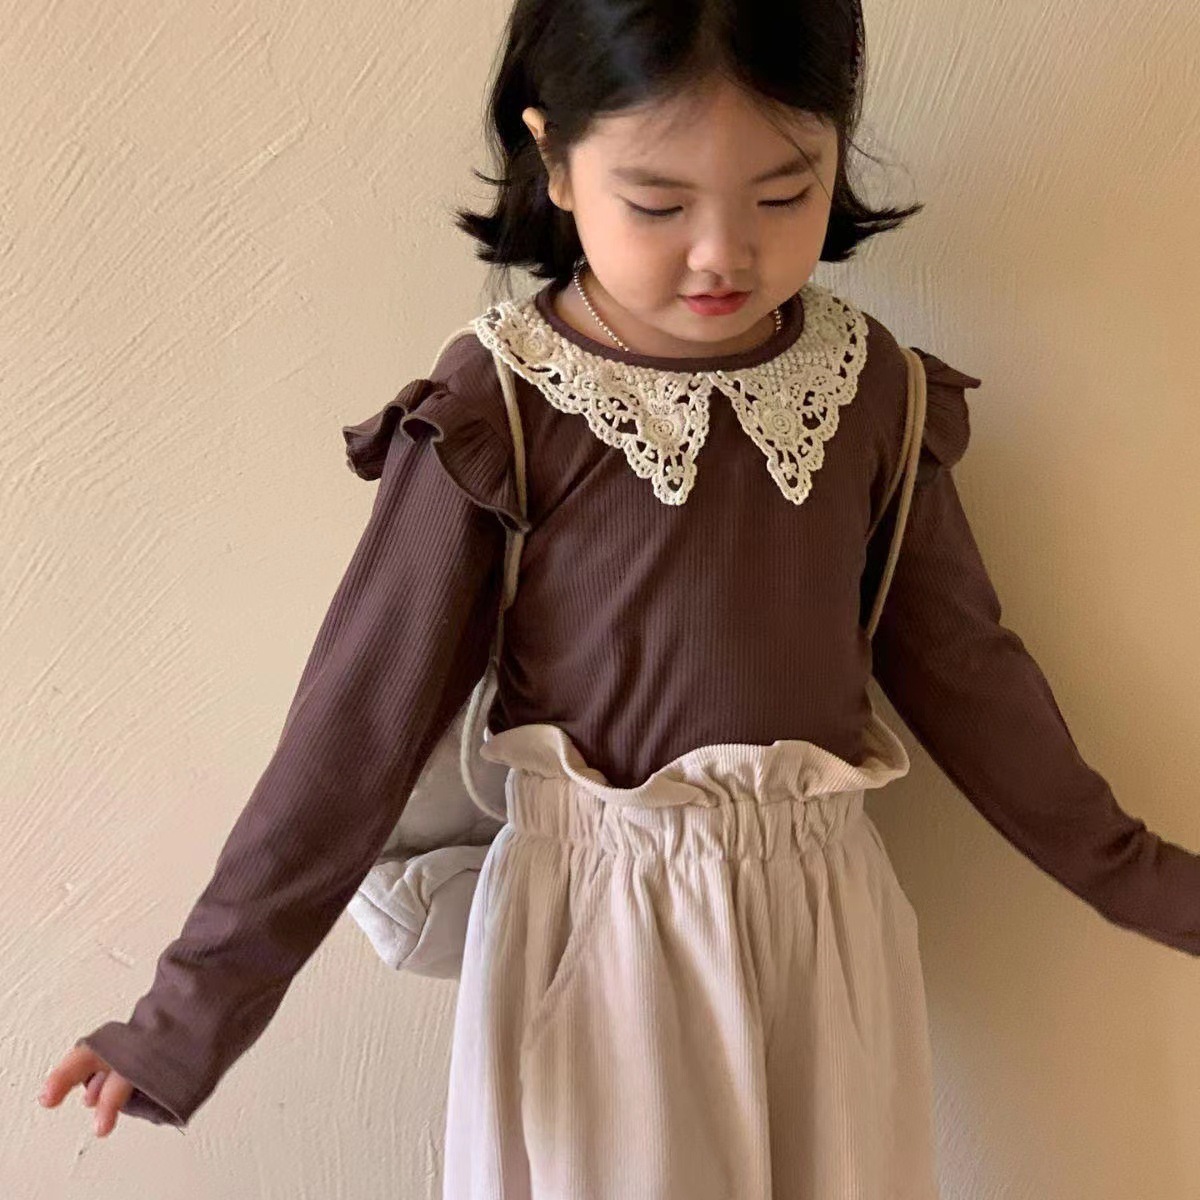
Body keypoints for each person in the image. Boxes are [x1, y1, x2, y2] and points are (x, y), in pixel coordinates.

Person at [38, 0, 1200, 1196]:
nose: (722, 254)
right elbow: (354, 730)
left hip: (825, 935)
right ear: (552, 156)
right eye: (657, 203)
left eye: (784, 193)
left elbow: (973, 677)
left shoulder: (872, 395)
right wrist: (182, 1020)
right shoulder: (502, 406)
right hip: (596, 948)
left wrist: (1156, 883)